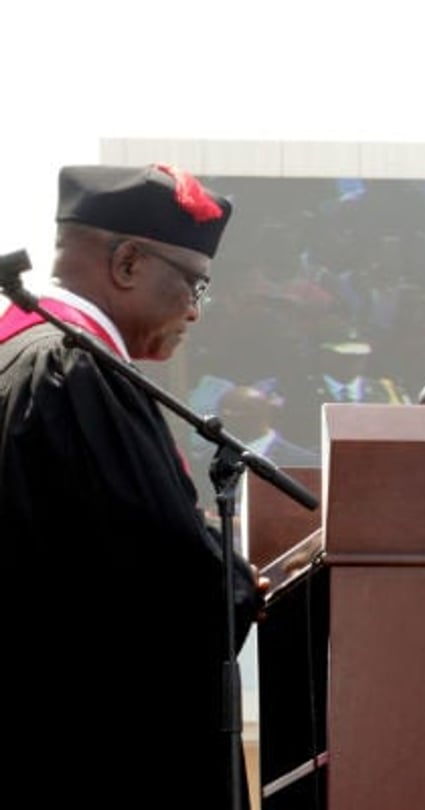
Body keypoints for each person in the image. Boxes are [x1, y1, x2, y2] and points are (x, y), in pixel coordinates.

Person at [0, 164, 263, 808]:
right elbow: (163, 580)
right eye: (194, 284)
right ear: (127, 264)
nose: (195, 311)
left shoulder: (21, 357)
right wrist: (236, 581)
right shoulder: (74, 372)